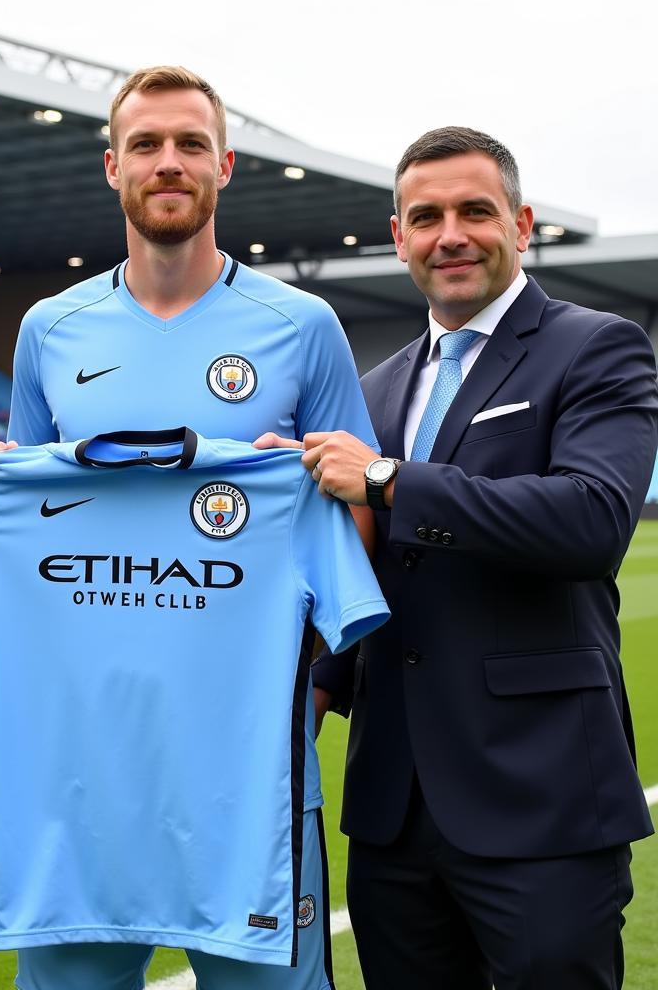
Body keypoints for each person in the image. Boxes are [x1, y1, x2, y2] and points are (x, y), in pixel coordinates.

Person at [4, 65, 377, 990]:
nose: (168, 163)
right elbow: (23, 528)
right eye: (146, 145)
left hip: (250, 763)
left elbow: (359, 507)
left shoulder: (304, 325)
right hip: (83, 770)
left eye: (189, 145)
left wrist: (315, 686)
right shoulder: (50, 330)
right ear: (111, 166)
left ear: (225, 165)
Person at [267, 127, 657, 990]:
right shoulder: (374, 388)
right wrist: (315, 681)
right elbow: (366, 571)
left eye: (475, 211)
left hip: (540, 797)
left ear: (521, 224)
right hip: (393, 806)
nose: (451, 233)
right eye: (426, 216)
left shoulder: (596, 345)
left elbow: (591, 521)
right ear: (398, 235)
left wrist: (385, 479)